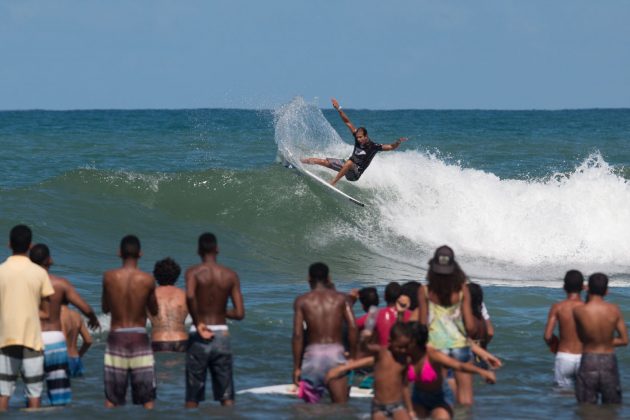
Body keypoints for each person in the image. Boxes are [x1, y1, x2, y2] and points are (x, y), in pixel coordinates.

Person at [29, 243, 100, 405]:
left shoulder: (25, 284)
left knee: (33, 394)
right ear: (50, 261)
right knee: (59, 396)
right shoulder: (60, 284)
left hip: (33, 341)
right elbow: (84, 307)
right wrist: (93, 318)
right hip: (54, 339)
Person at [185, 233, 244, 408]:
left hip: (198, 334)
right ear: (217, 249)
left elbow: (189, 295)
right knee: (226, 394)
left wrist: (198, 323)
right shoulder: (230, 275)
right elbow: (240, 313)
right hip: (221, 334)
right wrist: (219, 310)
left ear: (198, 251)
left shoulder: (193, 273)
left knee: (193, 395)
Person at [0, 225, 54, 411]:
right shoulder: (40, 273)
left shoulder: (0, 271)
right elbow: (46, 313)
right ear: (30, 246)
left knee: (3, 394)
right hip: (31, 340)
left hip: (5, 340)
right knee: (34, 396)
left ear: (9, 244)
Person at [102, 235, 158, 409]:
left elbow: (105, 308)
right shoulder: (147, 280)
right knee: (147, 397)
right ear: (140, 254)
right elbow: (154, 310)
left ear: (119, 253)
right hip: (139, 337)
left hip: (116, 337)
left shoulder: (109, 277)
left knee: (112, 397)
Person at [418, 245, 477, 405]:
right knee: (465, 398)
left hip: (436, 347)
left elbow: (422, 326)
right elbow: (471, 327)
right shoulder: (462, 290)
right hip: (460, 346)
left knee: (441, 396)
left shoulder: (424, 291)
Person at [301, 98, 407, 186]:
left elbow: (391, 147)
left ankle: (333, 183)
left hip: (355, 174)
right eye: (357, 137)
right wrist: (338, 108)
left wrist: (398, 142)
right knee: (324, 161)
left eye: (361, 137)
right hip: (347, 167)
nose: (358, 139)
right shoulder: (357, 137)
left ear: (366, 136)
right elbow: (347, 122)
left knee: (350, 162)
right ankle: (300, 161)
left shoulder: (374, 146)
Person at [292, 262, 357, 404]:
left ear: (309, 278)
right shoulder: (341, 299)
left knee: (311, 410)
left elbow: (298, 335)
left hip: (313, 355)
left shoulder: (302, 301)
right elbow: (353, 327)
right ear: (329, 278)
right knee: (341, 407)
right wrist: (352, 356)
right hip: (336, 354)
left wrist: (297, 367)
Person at [407, 324, 499, 419]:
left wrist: (483, 372)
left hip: (439, 397)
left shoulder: (432, 353)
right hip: (418, 397)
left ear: (414, 342)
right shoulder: (406, 355)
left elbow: (458, 365)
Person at [326, 322, 414, 420]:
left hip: (397, 405)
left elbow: (405, 387)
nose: (403, 350)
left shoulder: (405, 360)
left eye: (406, 347)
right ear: (390, 341)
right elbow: (366, 348)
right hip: (379, 407)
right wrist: (365, 339)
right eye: (400, 347)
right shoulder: (382, 353)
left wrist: (410, 410)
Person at [573, 273, 628, 404]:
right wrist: (606, 342)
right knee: (612, 406)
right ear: (607, 291)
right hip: (609, 361)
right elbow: (624, 340)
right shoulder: (614, 310)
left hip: (588, 360)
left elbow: (581, 338)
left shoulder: (579, 311)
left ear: (587, 288)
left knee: (586, 407)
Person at [542, 270, 585, 389]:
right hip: (584, 357)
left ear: (564, 286)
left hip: (564, 356)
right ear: (583, 287)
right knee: (585, 398)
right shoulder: (588, 308)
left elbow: (547, 336)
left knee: (561, 397)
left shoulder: (558, 307)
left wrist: (555, 345)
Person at [149, 257, 189, 352]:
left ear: (156, 275)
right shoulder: (185, 296)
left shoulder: (149, 296)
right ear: (177, 275)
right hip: (181, 341)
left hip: (158, 341)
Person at [375, 282, 412, 347]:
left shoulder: (377, 314)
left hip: (384, 353)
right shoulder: (411, 315)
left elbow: (356, 325)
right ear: (400, 298)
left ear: (384, 297)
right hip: (404, 352)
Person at [60, 305, 92, 377]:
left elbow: (62, 342)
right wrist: (79, 355)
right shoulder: (77, 315)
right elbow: (88, 340)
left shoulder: (58, 317)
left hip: (63, 361)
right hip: (76, 359)